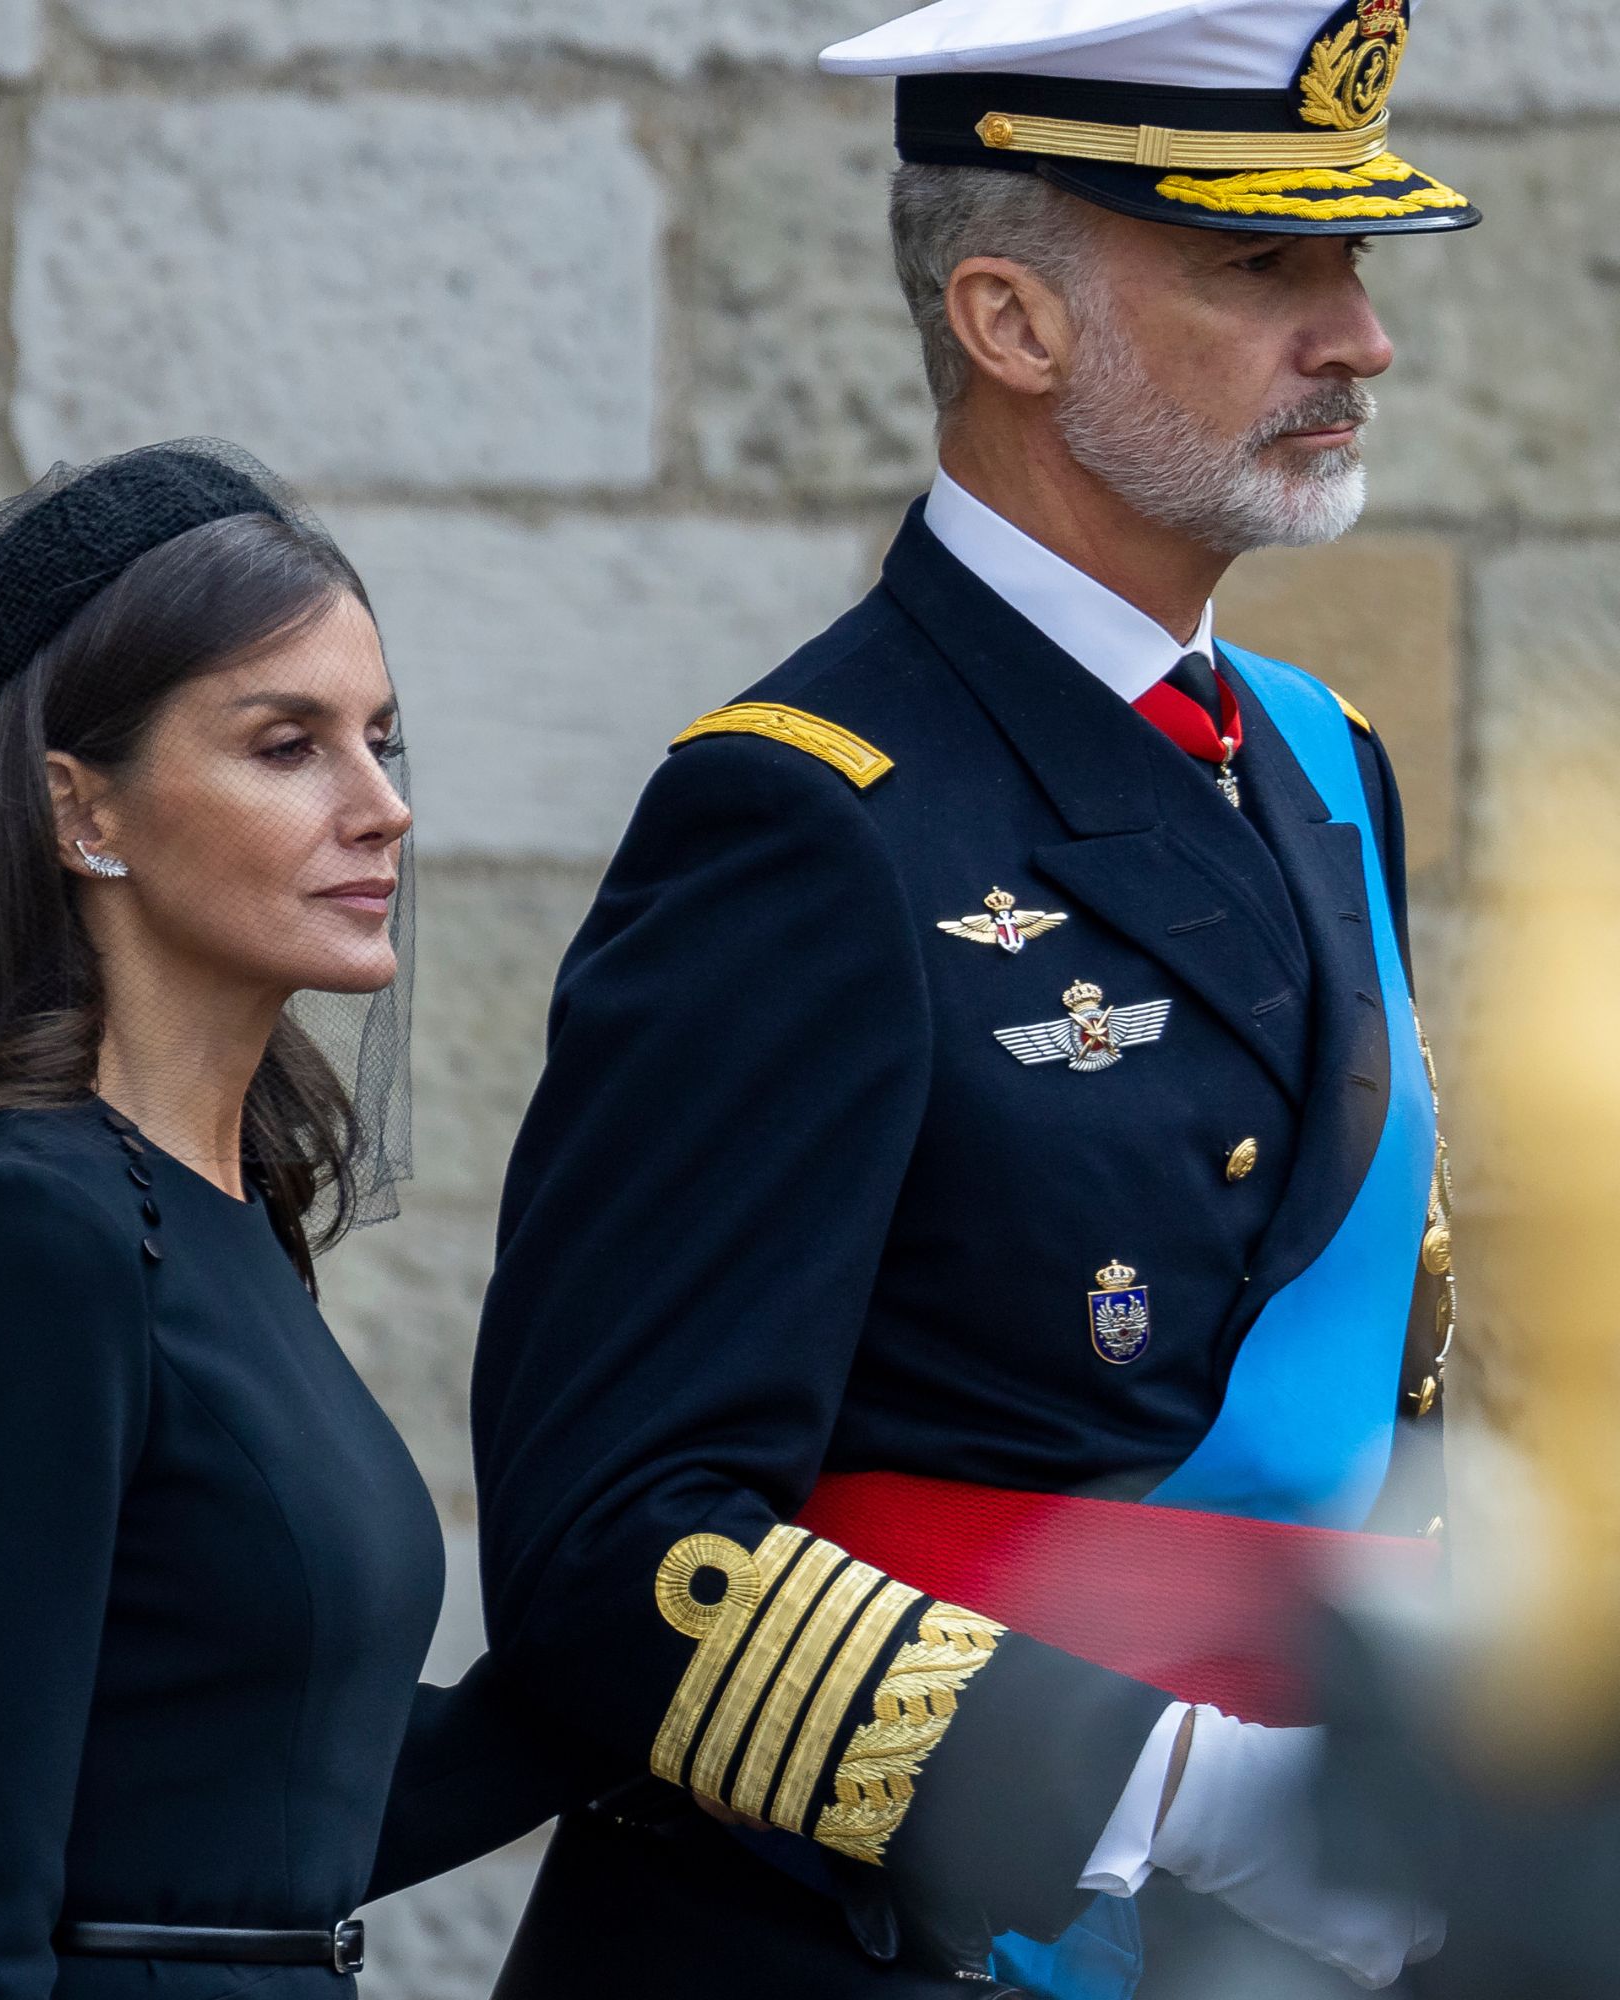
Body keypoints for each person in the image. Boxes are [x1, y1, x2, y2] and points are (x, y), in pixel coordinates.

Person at [469, 3, 1474, 1996]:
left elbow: (1386, 1379)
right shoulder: (797, 817)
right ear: (1010, 324)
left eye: (1352, 263)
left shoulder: (1316, 752)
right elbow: (617, 1545)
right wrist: (1166, 1787)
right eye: (1263, 265)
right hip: (890, 1941)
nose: (1356, 334)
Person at [0, 442, 593, 1995]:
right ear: (79, 807)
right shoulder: (17, 1232)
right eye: (287, 747)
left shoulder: (221, 1213)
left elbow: (256, 1811)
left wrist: (658, 1662)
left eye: (383, 741)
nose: (382, 808)